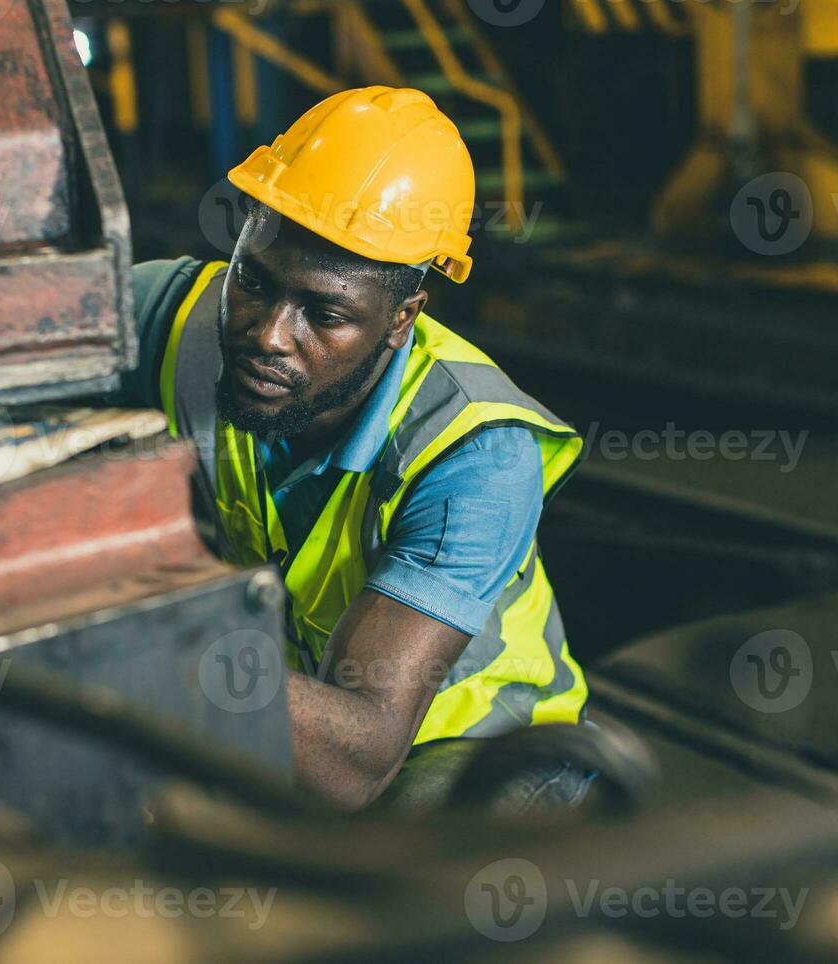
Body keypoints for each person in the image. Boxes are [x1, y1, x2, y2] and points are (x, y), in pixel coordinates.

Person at [117, 87, 590, 811]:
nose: (270, 334)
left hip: (473, 745)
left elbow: (355, 760)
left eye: (325, 313)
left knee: (405, 897)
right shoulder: (174, 314)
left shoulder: (476, 454)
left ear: (401, 319)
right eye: (253, 281)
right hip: (286, 704)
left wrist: (132, 643)